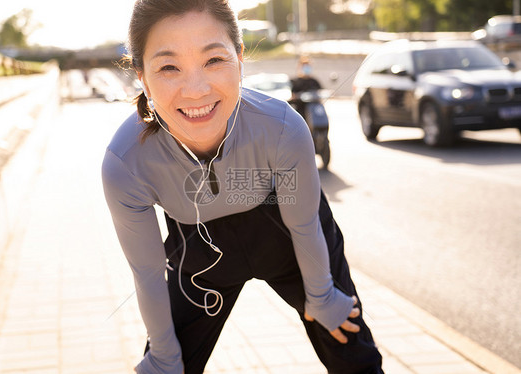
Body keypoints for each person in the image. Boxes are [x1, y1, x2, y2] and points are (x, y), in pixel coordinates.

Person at [101, 1, 384, 373]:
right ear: (142, 77)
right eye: (169, 67)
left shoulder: (284, 127)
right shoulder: (126, 163)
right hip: (199, 248)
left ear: (240, 58)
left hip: (288, 234)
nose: (196, 89)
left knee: (352, 350)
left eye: (214, 60)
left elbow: (304, 224)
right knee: (168, 365)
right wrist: (166, 357)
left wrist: (322, 296)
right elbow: (149, 273)